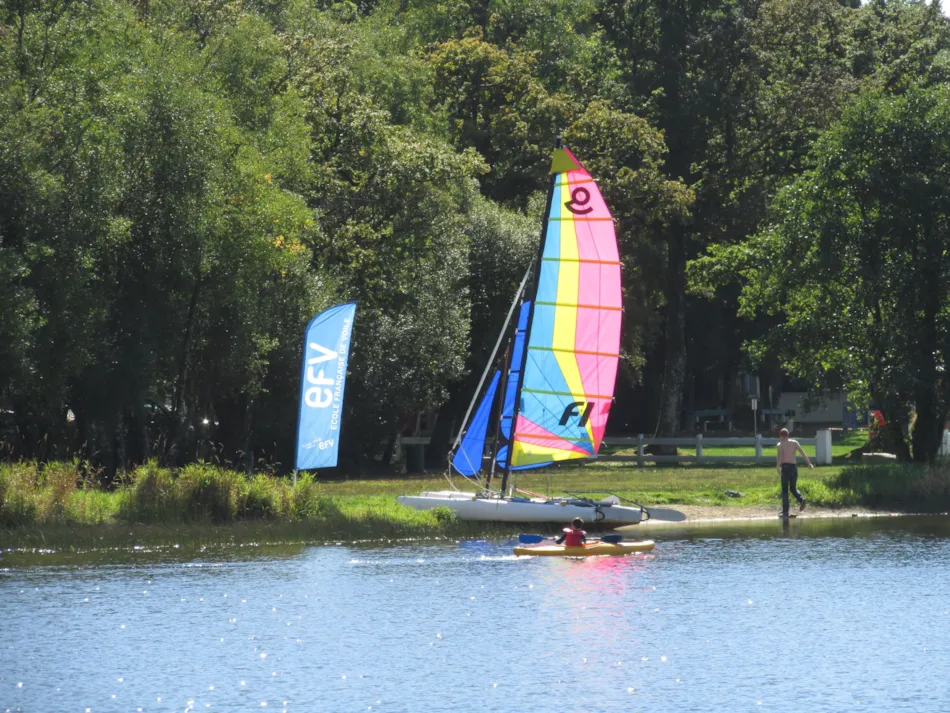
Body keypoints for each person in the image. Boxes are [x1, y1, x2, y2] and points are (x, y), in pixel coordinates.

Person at [776, 427, 813, 517]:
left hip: (785, 467)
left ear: (780, 436)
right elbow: (803, 453)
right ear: (788, 435)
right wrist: (809, 464)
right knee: (793, 488)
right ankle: (801, 499)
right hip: (793, 467)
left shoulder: (780, 444)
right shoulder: (794, 443)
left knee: (785, 489)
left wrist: (778, 467)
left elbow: (780, 457)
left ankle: (785, 511)